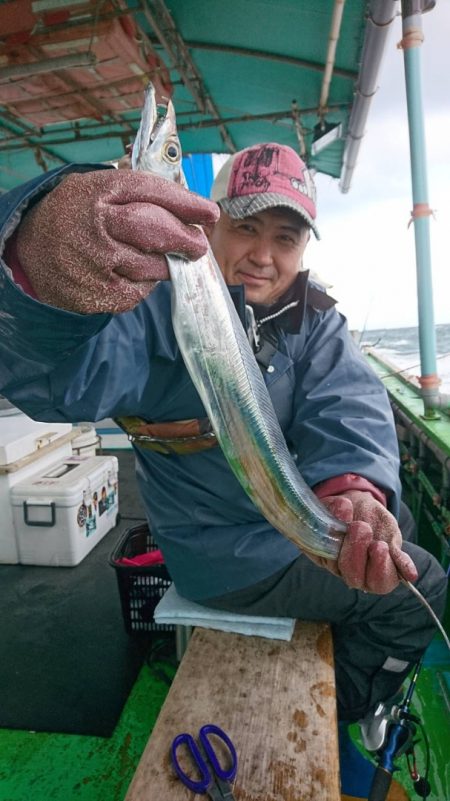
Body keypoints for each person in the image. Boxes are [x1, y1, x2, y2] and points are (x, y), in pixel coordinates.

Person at [0, 142, 446, 728]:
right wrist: (33, 276)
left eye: (285, 238)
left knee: (397, 526)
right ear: (207, 222)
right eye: (246, 227)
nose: (263, 255)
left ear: (304, 247)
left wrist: (358, 488)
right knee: (428, 589)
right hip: (231, 559)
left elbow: (349, 403)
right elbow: (57, 380)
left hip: (295, 527)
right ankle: (342, 710)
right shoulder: (152, 303)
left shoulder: (311, 317)